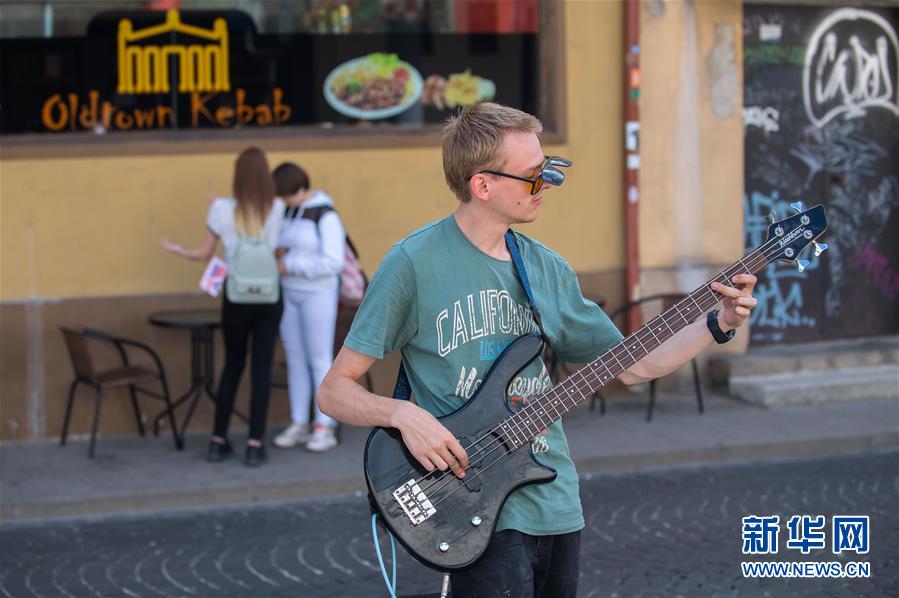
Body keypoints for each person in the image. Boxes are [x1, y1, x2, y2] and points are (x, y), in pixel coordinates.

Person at [316, 103, 758, 597]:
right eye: (533, 176)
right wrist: (402, 414)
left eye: (548, 170)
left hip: (554, 501)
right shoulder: (412, 264)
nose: (545, 184)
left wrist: (716, 323)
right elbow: (334, 392)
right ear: (483, 185)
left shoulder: (546, 270)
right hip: (472, 507)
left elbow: (633, 368)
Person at [161, 147, 284, 467]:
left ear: (237, 176)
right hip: (269, 298)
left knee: (232, 366)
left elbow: (203, 254)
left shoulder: (220, 210)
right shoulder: (278, 208)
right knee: (261, 370)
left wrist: (176, 249)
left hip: (236, 297)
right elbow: (278, 250)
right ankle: (255, 444)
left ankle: (218, 441)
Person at [270, 162, 344, 452]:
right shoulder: (287, 210)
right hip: (290, 292)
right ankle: (299, 421)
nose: (284, 200)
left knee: (318, 359)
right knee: (295, 358)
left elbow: (333, 262)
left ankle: (324, 425)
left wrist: (290, 264)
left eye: (287, 195)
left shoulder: (324, 215)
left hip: (318, 293)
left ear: (300, 188)